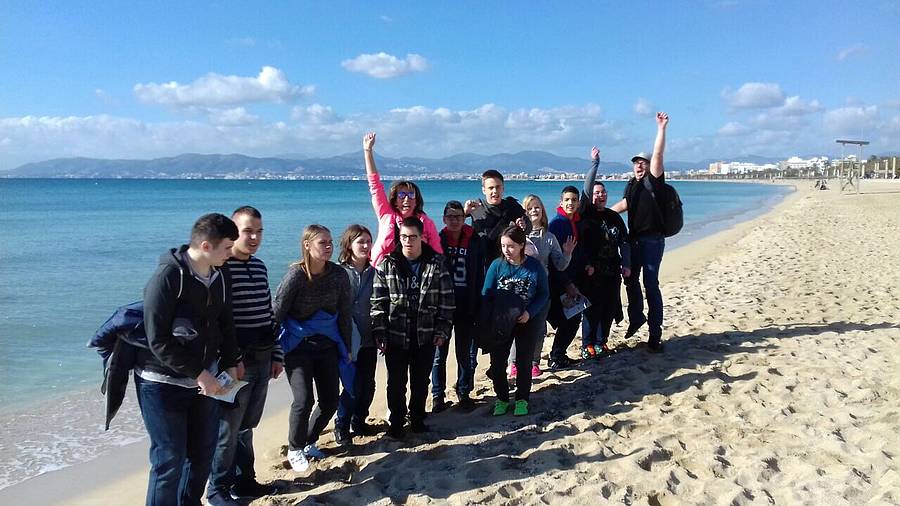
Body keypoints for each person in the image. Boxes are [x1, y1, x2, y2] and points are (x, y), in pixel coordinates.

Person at [135, 213, 242, 506]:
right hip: (161, 382)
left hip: (204, 380)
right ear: (206, 246)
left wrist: (231, 362)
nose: (231, 253)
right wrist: (200, 374)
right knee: (169, 458)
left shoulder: (221, 274)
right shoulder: (168, 277)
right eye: (227, 247)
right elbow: (157, 339)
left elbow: (226, 322)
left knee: (202, 453)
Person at [207, 207, 280, 505]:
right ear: (233, 232)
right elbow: (217, 323)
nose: (254, 238)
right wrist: (230, 359)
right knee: (227, 429)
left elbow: (269, 314)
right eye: (248, 231)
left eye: (259, 232)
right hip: (236, 363)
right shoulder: (221, 269)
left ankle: (245, 481)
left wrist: (277, 354)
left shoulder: (259, 267)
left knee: (247, 426)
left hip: (263, 357)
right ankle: (218, 489)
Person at [273, 225, 352, 472]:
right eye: (322, 242)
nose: (328, 246)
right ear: (307, 245)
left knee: (330, 400)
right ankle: (294, 448)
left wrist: (347, 346)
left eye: (330, 242)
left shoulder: (338, 275)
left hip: (327, 344)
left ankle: (309, 440)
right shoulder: (296, 276)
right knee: (303, 399)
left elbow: (344, 313)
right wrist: (271, 351)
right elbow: (277, 313)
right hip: (297, 346)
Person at [371, 217, 455, 439]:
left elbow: (447, 301)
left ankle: (417, 418)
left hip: (425, 335)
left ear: (422, 237)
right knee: (396, 383)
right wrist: (380, 331)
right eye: (404, 237)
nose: (408, 241)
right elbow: (378, 302)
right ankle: (396, 422)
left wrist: (442, 330)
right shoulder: (387, 264)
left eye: (413, 237)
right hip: (396, 335)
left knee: (420, 381)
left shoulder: (436, 263)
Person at [610, 112, 670, 353]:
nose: (638, 165)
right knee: (629, 278)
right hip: (634, 241)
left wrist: (661, 128)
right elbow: (624, 205)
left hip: (653, 241)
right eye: (636, 162)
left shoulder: (654, 181)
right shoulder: (632, 185)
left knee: (651, 284)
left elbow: (658, 154)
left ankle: (655, 335)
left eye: (642, 162)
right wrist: (601, 214)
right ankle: (637, 317)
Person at [483, 225, 549, 417]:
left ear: (521, 245)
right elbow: (486, 293)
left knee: (524, 361)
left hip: (526, 320)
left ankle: (522, 399)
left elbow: (544, 294)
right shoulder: (497, 265)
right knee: (497, 363)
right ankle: (502, 398)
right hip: (501, 322)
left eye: (511, 246)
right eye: (503, 246)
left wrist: (530, 312)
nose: (506, 250)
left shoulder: (534, 266)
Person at [509, 194, 574, 378]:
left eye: (537, 207)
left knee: (539, 329)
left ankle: (534, 362)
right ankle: (513, 363)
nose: (534, 211)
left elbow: (560, 265)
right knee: (518, 325)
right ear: (524, 212)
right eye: (529, 208)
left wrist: (567, 253)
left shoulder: (549, 237)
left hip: (542, 289)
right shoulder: (518, 235)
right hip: (520, 288)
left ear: (543, 210)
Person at [432, 201, 486, 412]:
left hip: (466, 303)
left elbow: (481, 271)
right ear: (444, 219)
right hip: (442, 306)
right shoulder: (437, 240)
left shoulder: (474, 240)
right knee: (439, 354)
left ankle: (464, 392)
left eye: (458, 217)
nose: (454, 220)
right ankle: (438, 395)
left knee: (464, 353)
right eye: (450, 217)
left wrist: (480, 302)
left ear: (464, 218)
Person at [578, 151, 631, 359]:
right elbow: (587, 186)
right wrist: (595, 164)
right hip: (592, 271)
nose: (600, 195)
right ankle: (587, 344)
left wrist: (627, 264)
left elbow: (624, 242)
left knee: (609, 307)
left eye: (603, 192)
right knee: (592, 308)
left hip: (612, 270)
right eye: (596, 192)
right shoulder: (586, 213)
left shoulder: (613, 217)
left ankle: (601, 342)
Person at [363, 132, 443, 266]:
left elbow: (437, 253)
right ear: (394, 200)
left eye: (411, 195)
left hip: (414, 273)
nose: (406, 199)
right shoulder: (386, 215)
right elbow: (375, 185)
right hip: (381, 272)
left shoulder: (426, 223)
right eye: (401, 195)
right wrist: (368, 151)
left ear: (417, 201)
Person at [333, 224, 379, 446]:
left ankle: (359, 421)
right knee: (352, 386)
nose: (366, 246)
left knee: (368, 385)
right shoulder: (338, 273)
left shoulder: (375, 273)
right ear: (349, 245)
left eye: (369, 241)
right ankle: (341, 425)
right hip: (345, 341)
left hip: (369, 338)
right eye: (360, 242)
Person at [546, 186, 588, 370]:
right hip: (558, 281)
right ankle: (556, 356)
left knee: (572, 318)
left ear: (578, 203)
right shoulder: (557, 224)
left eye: (574, 200)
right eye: (567, 200)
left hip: (573, 277)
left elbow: (576, 251)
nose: (571, 203)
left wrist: (587, 265)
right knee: (570, 318)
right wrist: (567, 284)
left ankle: (558, 355)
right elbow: (554, 259)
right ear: (561, 203)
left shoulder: (575, 221)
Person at [464, 169, 529, 262]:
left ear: (503, 188)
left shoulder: (511, 205)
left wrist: (523, 225)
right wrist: (465, 212)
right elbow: (454, 222)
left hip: (507, 259)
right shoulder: (476, 207)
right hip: (481, 260)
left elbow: (529, 226)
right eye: (491, 188)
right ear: (484, 190)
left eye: (498, 187)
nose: (495, 191)